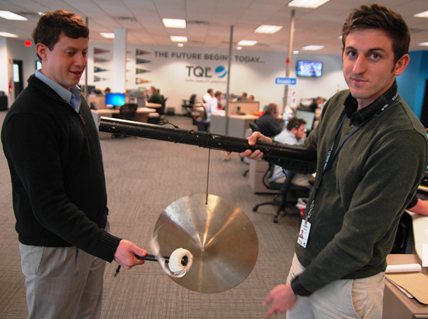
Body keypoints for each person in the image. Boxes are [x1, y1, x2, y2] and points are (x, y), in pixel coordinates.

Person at [241, 4, 428, 318]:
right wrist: (271, 148)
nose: (357, 68)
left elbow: (358, 240)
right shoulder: (339, 103)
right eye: (352, 53)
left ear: (400, 64)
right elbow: (312, 156)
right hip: (306, 259)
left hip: (348, 284)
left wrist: (297, 288)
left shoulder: (402, 138)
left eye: (375, 55)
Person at [1, 10, 148, 318]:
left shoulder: (73, 100)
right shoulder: (29, 117)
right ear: (42, 51)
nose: (81, 62)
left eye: (84, 51)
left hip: (89, 238)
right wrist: (110, 245)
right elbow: (49, 206)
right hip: (54, 249)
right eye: (70, 52)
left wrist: (100, 235)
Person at [269, 118, 309, 187]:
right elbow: (300, 156)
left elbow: (301, 143)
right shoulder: (289, 141)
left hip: (283, 172)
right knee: (310, 184)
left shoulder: (286, 133)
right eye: (302, 130)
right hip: (282, 176)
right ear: (294, 130)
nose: (304, 133)